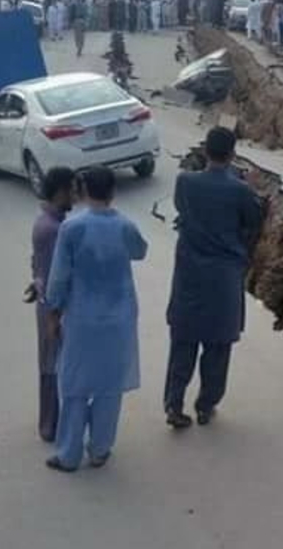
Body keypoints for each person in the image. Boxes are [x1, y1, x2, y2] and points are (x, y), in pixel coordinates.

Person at [44, 167, 148, 472]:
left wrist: (53, 312)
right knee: (109, 386)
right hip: (120, 318)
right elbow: (140, 252)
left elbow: (58, 278)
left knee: (74, 385)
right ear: (113, 192)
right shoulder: (125, 225)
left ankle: (68, 454)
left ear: (84, 191)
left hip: (82, 319)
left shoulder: (72, 229)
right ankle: (100, 449)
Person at [164, 127, 263, 429]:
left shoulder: (185, 182)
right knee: (218, 348)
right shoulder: (241, 191)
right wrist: (253, 189)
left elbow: (182, 209)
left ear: (206, 151)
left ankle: (173, 404)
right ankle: (206, 405)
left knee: (183, 342)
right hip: (223, 279)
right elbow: (254, 222)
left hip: (190, 275)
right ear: (232, 155)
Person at [27, 168, 77, 442]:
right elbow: (59, 276)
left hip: (46, 302)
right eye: (72, 189)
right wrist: (55, 315)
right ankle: (50, 425)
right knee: (53, 366)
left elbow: (37, 264)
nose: (76, 195)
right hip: (53, 309)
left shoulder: (44, 221)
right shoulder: (55, 230)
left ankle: (51, 422)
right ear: (60, 191)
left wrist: (37, 282)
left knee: (51, 364)